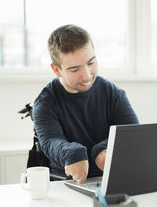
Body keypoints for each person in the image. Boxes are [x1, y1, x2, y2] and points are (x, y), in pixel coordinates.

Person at [32, 24, 139, 183]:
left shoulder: (113, 93)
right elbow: (50, 141)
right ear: (57, 70)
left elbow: (132, 132)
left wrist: (103, 149)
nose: (86, 76)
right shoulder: (45, 103)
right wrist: (72, 153)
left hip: (108, 179)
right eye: (75, 70)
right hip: (65, 182)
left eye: (91, 63)